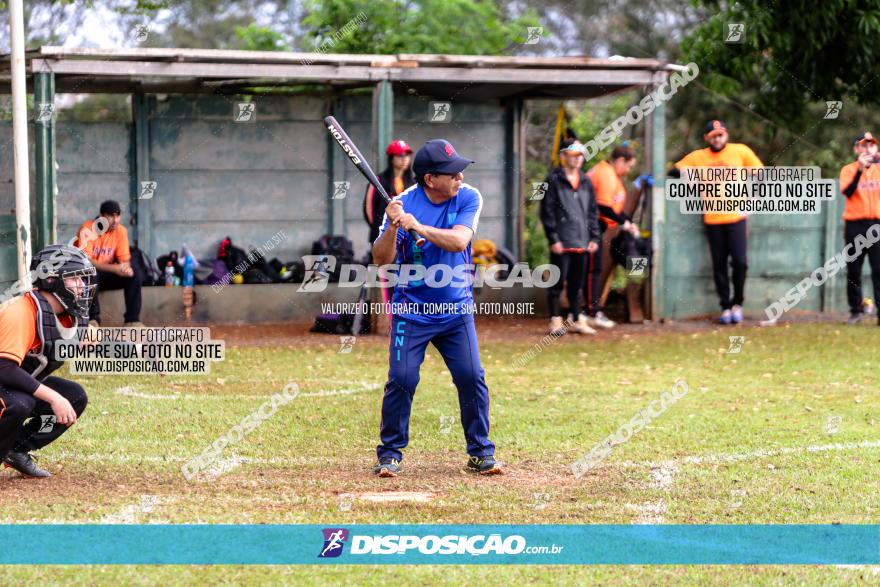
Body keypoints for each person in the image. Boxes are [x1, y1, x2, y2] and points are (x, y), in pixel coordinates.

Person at [371, 139, 502, 477]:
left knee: (471, 377)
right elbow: (380, 260)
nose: (459, 175)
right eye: (451, 172)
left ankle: (480, 453)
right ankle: (390, 454)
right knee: (401, 379)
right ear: (430, 179)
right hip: (411, 311)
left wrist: (419, 227)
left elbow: (459, 240)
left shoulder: (468, 196)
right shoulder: (401, 204)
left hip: (455, 310)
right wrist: (393, 228)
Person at [0, 245, 93, 477]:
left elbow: (100, 346)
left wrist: (143, 353)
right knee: (20, 404)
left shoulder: (64, 317)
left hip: (8, 383)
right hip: (3, 377)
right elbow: (4, 369)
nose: (82, 285)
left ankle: (16, 450)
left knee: (75, 397)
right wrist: (53, 397)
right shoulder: (20, 311)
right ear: (52, 280)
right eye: (75, 278)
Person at [672, 120, 763, 324]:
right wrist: (692, 178)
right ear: (707, 138)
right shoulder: (699, 157)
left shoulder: (740, 151)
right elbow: (674, 171)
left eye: (721, 134)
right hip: (712, 219)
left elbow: (760, 173)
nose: (718, 138)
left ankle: (737, 303)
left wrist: (752, 201)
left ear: (726, 135)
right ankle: (725, 307)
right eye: (713, 135)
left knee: (740, 262)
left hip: (736, 217)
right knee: (719, 264)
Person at [539, 139, 601, 336]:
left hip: (582, 241)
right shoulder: (553, 180)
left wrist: (594, 237)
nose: (576, 160)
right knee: (557, 282)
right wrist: (553, 238)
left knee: (578, 283)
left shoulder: (586, 181)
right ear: (563, 157)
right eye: (572, 155)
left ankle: (576, 319)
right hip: (562, 242)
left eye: (580, 156)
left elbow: (592, 211)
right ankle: (555, 320)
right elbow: (546, 211)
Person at [585, 145, 640, 329]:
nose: (628, 170)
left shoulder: (607, 172)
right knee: (593, 268)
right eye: (629, 166)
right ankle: (590, 312)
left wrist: (626, 221)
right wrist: (624, 222)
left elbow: (613, 208)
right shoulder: (606, 173)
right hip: (588, 227)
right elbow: (603, 207)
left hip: (593, 226)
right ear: (620, 161)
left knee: (591, 268)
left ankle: (587, 311)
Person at [74, 200, 144, 327]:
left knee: (134, 273)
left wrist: (126, 269)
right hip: (85, 276)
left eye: (118, 215)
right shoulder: (87, 229)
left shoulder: (121, 231)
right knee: (90, 272)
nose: (115, 220)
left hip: (108, 274)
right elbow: (86, 261)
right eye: (111, 216)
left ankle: (132, 320)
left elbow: (124, 260)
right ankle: (92, 320)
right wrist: (115, 269)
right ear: (102, 216)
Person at [839, 132, 880, 325]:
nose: (868, 149)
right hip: (855, 225)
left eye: (871, 146)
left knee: (878, 270)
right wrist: (860, 170)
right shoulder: (848, 170)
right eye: (864, 146)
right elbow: (848, 191)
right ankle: (856, 311)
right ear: (857, 149)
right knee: (854, 270)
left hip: (877, 225)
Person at [363, 139, 415, 245]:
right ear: (391, 159)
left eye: (407, 155)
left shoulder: (413, 183)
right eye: (400, 155)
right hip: (382, 235)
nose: (404, 159)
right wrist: (379, 227)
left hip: (408, 236)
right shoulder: (378, 181)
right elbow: (369, 209)